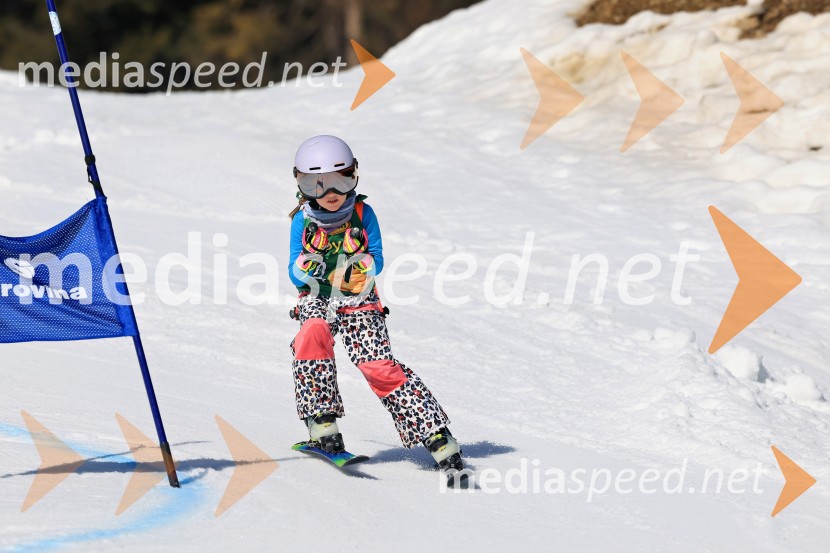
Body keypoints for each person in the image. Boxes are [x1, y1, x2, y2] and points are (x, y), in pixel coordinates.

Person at [287, 134, 463, 472]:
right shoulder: (302, 220)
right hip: (318, 295)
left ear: (354, 175)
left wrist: (362, 267)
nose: (330, 194)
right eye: (316, 185)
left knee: (377, 365)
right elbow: (294, 272)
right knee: (312, 332)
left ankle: (436, 434)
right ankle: (321, 421)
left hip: (360, 297)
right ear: (301, 184)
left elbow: (378, 257)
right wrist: (307, 266)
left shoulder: (363, 212)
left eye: (340, 181)